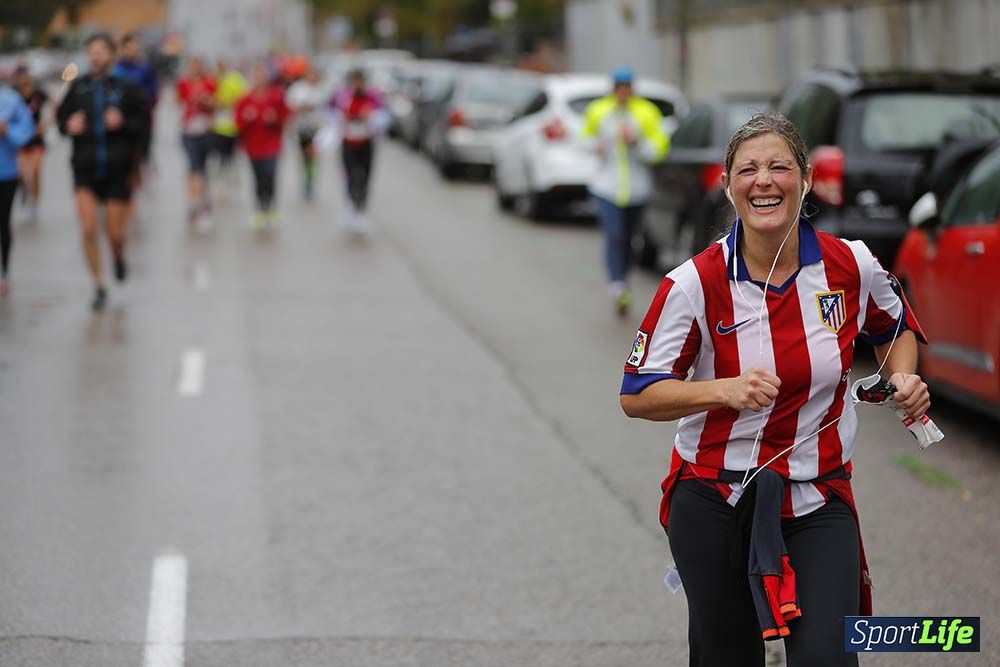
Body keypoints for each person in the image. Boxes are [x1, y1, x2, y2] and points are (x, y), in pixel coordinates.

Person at [620, 112, 931, 667]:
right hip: (715, 498)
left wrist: (901, 375)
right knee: (727, 656)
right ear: (727, 185)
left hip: (818, 496)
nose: (763, 180)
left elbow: (895, 326)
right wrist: (722, 391)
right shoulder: (693, 284)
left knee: (830, 655)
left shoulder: (849, 265)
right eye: (748, 170)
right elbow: (638, 395)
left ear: (805, 181)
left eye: (779, 167)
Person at [57, 32, 148, 311]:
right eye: (91, 51)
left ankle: (118, 256)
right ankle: (98, 284)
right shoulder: (78, 86)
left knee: (115, 234)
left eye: (101, 50)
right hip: (84, 168)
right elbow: (61, 120)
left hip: (115, 170)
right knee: (87, 228)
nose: (95, 55)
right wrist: (68, 125)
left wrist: (123, 124)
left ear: (111, 55)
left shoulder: (126, 87)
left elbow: (143, 125)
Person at [580, 68, 668, 316]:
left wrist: (637, 143)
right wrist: (594, 146)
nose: (622, 92)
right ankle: (617, 284)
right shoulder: (599, 110)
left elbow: (660, 148)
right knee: (615, 235)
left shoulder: (646, 112)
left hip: (638, 189)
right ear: (613, 88)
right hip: (606, 187)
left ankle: (624, 279)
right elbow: (583, 137)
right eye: (618, 87)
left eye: (626, 87)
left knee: (630, 238)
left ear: (631, 88)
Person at [329, 68, 389, 232]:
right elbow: (330, 113)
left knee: (364, 177)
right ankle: (349, 207)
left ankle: (361, 209)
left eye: (360, 81)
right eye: (354, 81)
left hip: (366, 143)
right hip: (348, 143)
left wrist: (371, 117)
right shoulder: (342, 97)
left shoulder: (373, 97)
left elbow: (384, 118)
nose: (357, 84)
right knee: (349, 175)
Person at [235, 63, 289, 229]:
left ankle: (270, 207)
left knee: (270, 175)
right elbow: (238, 123)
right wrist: (246, 117)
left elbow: (286, 116)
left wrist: (275, 119)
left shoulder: (276, 96)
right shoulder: (245, 99)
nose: (259, 79)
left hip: (272, 145)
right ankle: (259, 209)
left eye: (261, 76)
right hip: (253, 146)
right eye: (256, 76)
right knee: (258, 178)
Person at [113, 32, 159, 224]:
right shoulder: (116, 70)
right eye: (131, 46)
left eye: (136, 46)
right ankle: (120, 197)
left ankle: (132, 195)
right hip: (118, 123)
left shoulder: (145, 68)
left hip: (142, 121)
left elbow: (154, 92)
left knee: (137, 158)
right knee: (120, 161)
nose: (135, 49)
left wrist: (144, 104)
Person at [0, 79, 35, 296]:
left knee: (3, 222)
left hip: (5, 174)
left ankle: (4, 271)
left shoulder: (10, 100)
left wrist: (6, 132)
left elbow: (26, 131)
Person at [176, 57, 216, 225]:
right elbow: (179, 102)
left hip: (205, 130)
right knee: (193, 167)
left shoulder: (210, 83)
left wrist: (205, 99)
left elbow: (215, 103)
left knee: (202, 167)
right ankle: (194, 203)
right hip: (189, 130)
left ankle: (204, 197)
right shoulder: (183, 83)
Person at [12, 66, 49, 223]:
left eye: (24, 77)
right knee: (20, 174)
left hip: (36, 141)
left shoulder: (38, 94)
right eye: (19, 78)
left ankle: (34, 205)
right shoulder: (13, 96)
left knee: (34, 173)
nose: (22, 81)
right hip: (20, 141)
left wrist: (45, 124)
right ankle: (24, 192)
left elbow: (57, 105)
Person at [285, 67, 325, 200]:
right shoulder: (297, 89)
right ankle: (305, 179)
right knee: (303, 158)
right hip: (300, 129)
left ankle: (310, 182)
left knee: (312, 156)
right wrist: (302, 107)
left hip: (316, 129)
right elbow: (290, 107)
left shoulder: (321, 90)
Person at [210, 59, 248, 188]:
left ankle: (231, 180)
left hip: (232, 126)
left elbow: (243, 99)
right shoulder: (213, 79)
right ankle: (222, 182)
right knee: (220, 157)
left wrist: (227, 103)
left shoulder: (235, 79)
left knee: (231, 156)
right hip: (217, 126)